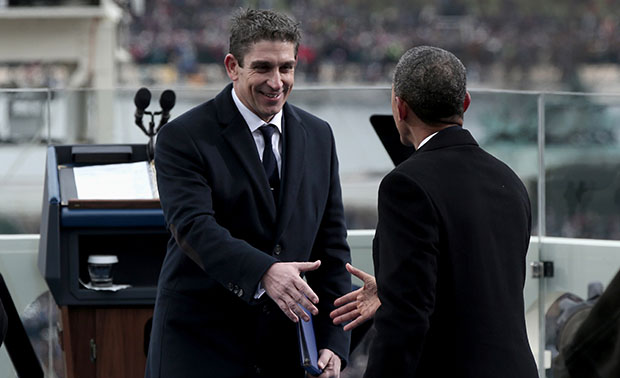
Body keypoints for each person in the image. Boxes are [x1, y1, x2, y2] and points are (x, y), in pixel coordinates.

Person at [145, 9, 351, 378]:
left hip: (286, 354)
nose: (276, 82)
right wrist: (264, 271)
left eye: (286, 68)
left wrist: (333, 341)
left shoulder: (320, 135)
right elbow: (193, 227)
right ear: (232, 66)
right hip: (201, 349)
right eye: (263, 68)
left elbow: (332, 246)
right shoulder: (183, 137)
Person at [330, 46, 538, 378]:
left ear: (400, 107)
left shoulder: (406, 186)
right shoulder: (509, 180)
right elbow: (478, 283)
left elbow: (406, 321)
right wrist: (390, 290)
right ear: (465, 103)